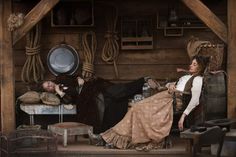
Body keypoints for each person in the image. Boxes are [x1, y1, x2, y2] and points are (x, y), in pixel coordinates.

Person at [88, 55, 209, 150]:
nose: (191, 66)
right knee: (135, 108)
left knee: (137, 109)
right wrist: (170, 85)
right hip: (165, 96)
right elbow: (178, 86)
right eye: (191, 63)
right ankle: (111, 137)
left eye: (194, 64)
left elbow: (195, 100)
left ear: (200, 67)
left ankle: (113, 139)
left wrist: (183, 116)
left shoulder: (198, 79)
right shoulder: (187, 76)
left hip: (170, 101)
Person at [42, 75, 159, 133]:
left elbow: (75, 77)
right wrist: (59, 92)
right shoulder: (59, 95)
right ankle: (140, 86)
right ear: (48, 91)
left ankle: (143, 80)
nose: (49, 85)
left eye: (48, 83)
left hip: (91, 87)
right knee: (112, 99)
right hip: (87, 97)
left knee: (114, 90)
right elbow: (70, 100)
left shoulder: (61, 78)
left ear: (50, 80)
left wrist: (79, 79)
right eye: (47, 88)